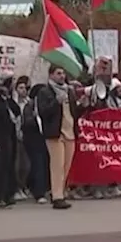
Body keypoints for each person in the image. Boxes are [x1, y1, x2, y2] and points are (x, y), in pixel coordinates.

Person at [36, 64, 77, 209]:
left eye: (63, 73)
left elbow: (74, 112)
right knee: (57, 165)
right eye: (58, 73)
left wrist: (83, 105)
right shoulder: (45, 92)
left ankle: (61, 191)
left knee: (67, 166)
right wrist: (56, 102)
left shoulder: (69, 91)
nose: (62, 76)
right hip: (55, 133)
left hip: (70, 131)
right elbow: (43, 112)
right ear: (51, 75)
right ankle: (57, 196)